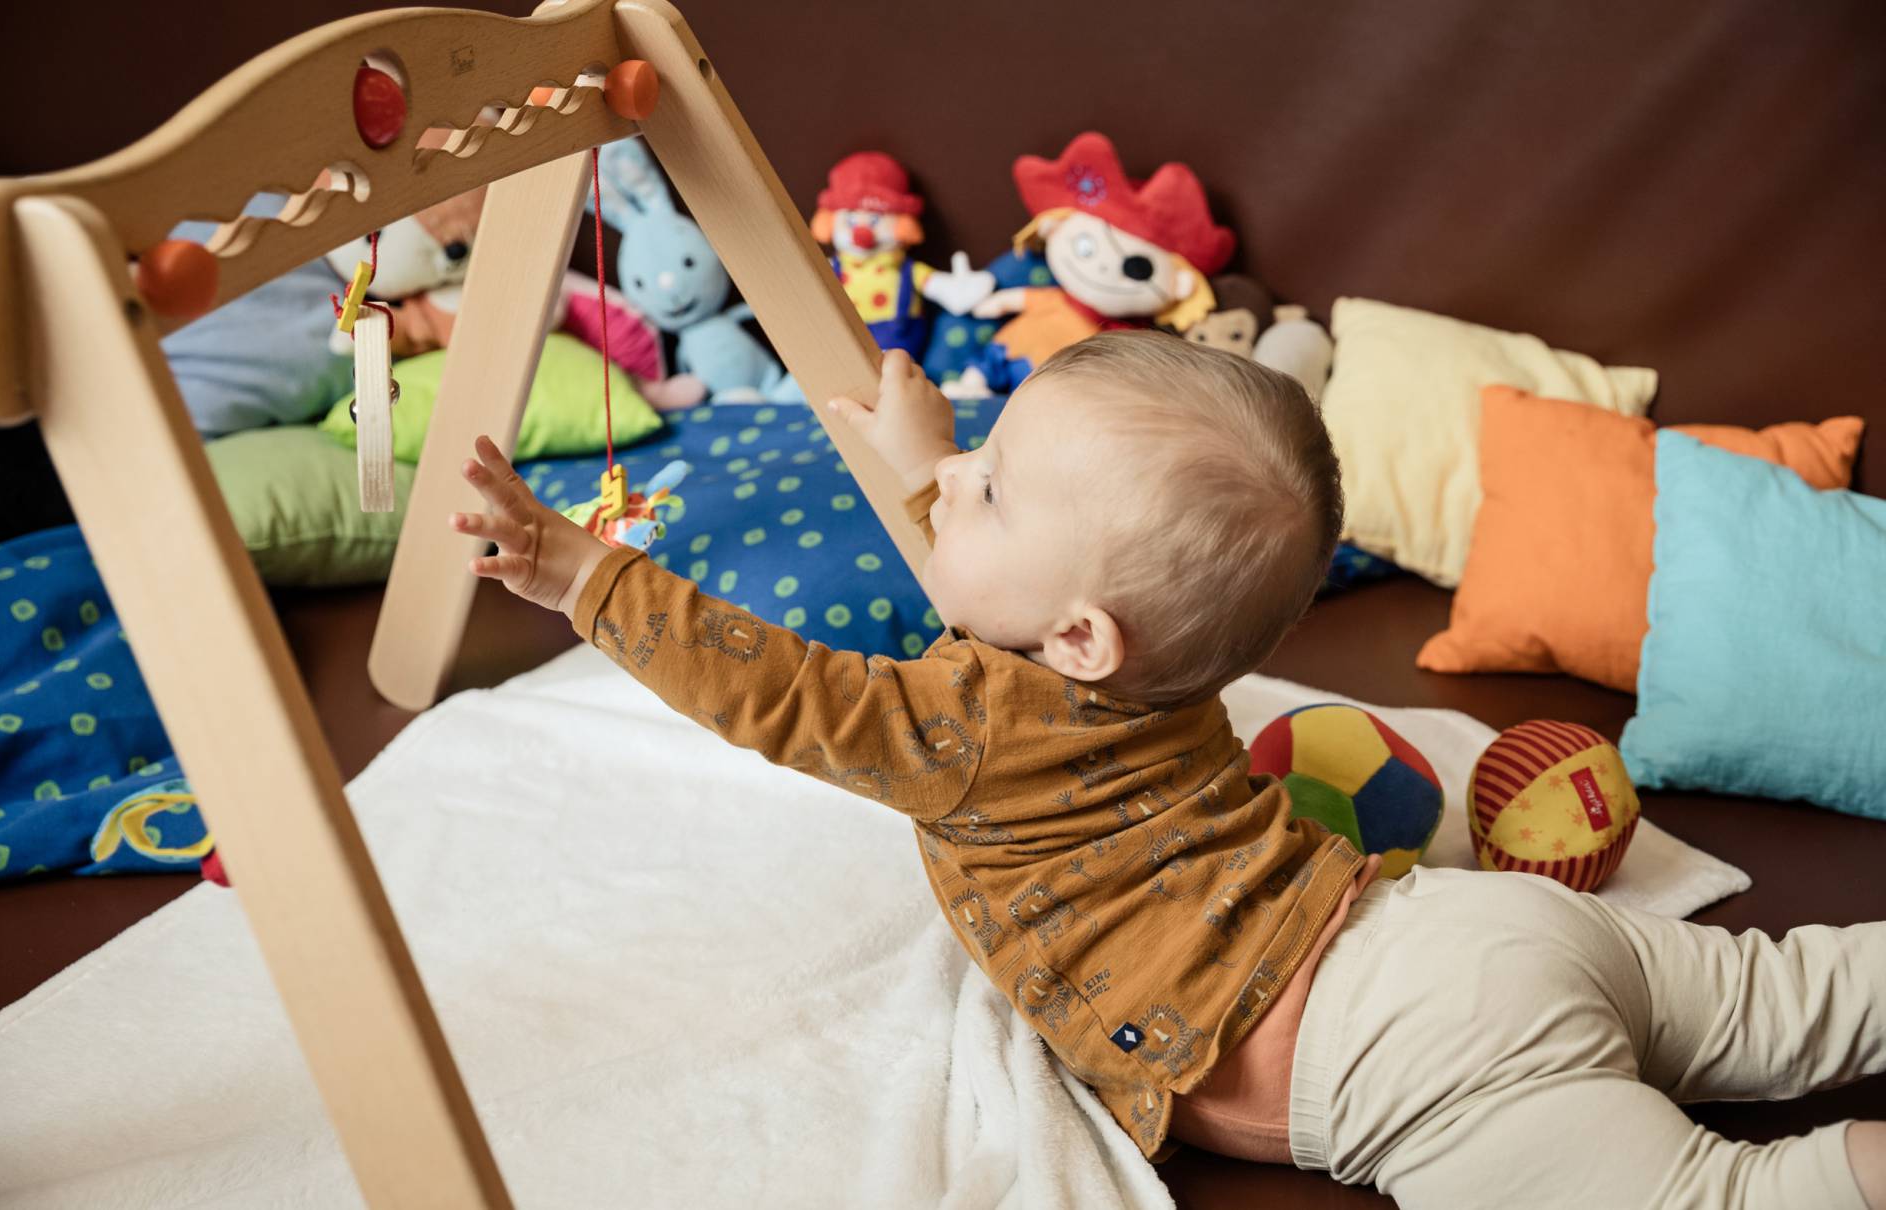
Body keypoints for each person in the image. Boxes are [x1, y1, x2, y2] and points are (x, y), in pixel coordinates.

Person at [449, 330, 1884, 1209]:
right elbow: (1007, 590)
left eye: (985, 482)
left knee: (1721, 1199)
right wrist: (931, 456)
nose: (955, 487)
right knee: (1790, 989)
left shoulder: (962, 729)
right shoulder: (1162, 669)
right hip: (1471, 928)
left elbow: (775, 689)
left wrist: (588, 570)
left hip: (1409, 1064)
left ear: (1079, 631)